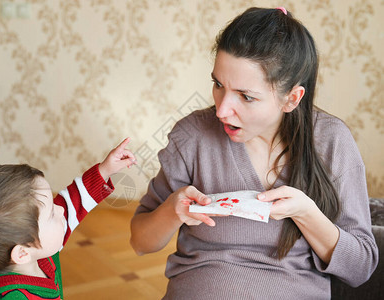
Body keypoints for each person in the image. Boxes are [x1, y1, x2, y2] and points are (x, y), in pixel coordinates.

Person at [130, 7, 378, 299]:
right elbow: (140, 242)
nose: (222, 110)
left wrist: (306, 213)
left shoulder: (331, 142)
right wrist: (173, 211)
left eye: (246, 97)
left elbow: (360, 268)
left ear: (292, 98)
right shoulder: (192, 136)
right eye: (218, 85)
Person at [0, 138, 136, 299]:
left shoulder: (35, 247)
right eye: (51, 213)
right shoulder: (11, 297)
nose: (60, 210)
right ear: (22, 253)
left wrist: (105, 170)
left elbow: (73, 203)